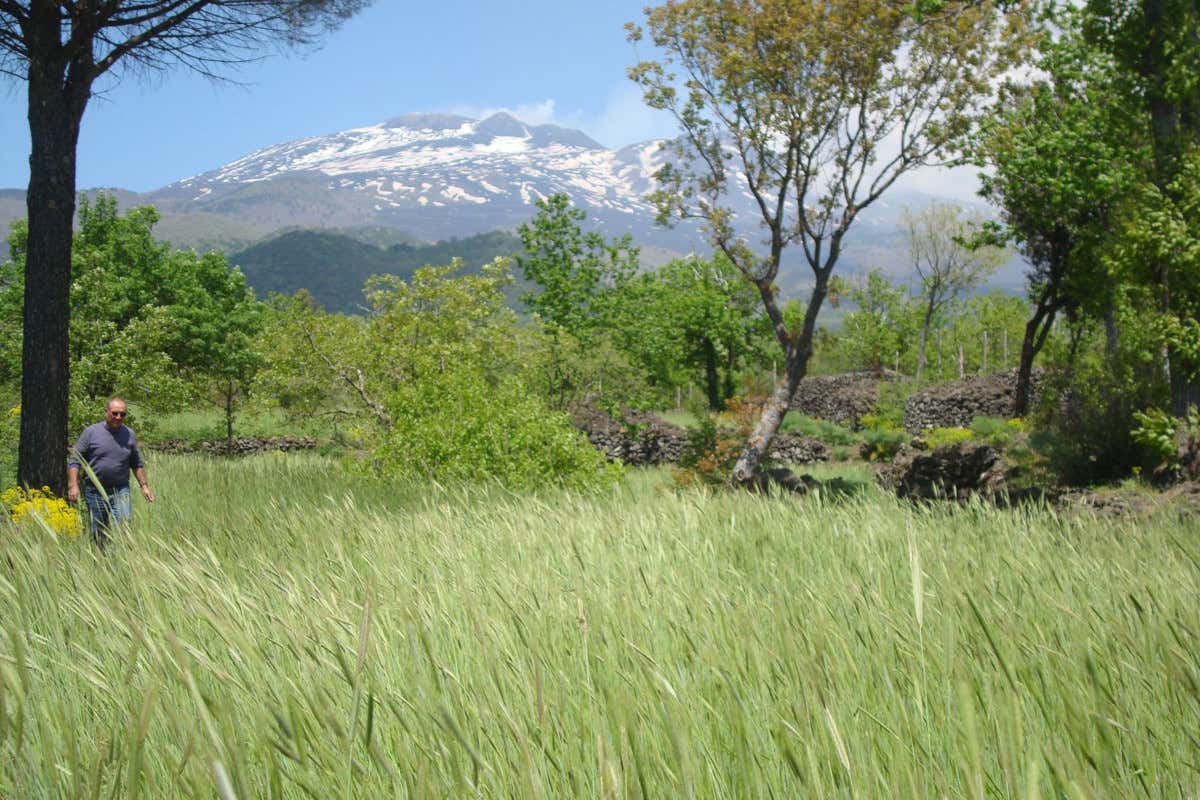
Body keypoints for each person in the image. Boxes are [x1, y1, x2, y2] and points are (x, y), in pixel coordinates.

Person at [67, 397, 155, 547]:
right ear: (106, 412)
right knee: (98, 530)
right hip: (94, 491)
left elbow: (136, 463)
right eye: (115, 413)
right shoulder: (91, 432)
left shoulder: (129, 434)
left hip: (120, 490)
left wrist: (144, 486)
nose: (118, 417)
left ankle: (122, 555)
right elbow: (75, 460)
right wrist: (73, 485)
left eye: (122, 414)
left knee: (124, 523)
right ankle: (101, 557)